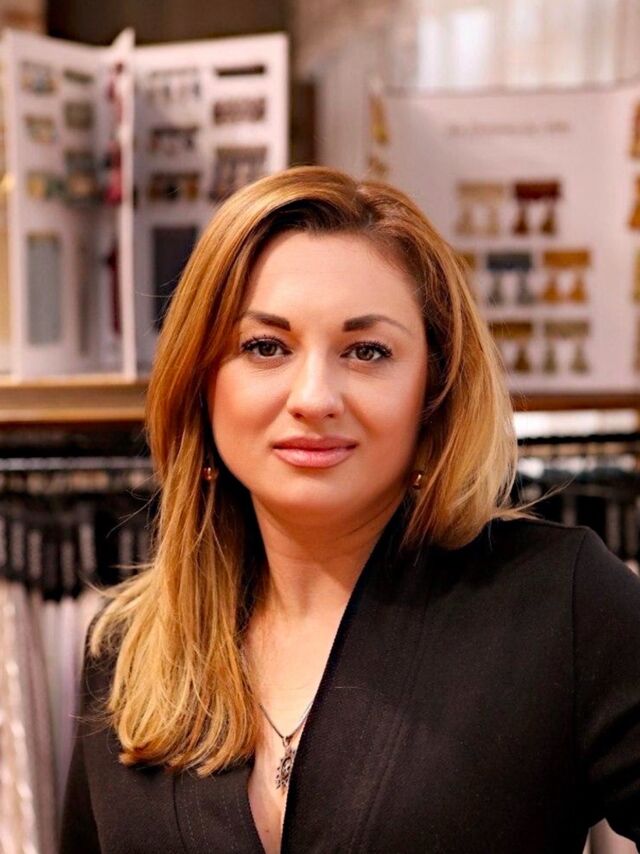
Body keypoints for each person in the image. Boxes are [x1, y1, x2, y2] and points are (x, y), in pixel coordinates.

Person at [60, 166, 640, 853]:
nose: (314, 397)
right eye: (265, 347)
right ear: (200, 383)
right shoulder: (127, 651)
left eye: (367, 351)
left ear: (433, 389)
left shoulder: (560, 605)